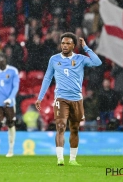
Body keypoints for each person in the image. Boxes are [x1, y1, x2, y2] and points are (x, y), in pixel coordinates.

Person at [35, 32, 102, 166]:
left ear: (73, 46)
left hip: (77, 99)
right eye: (63, 43)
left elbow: (97, 62)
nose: (65, 46)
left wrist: (86, 48)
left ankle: (72, 159)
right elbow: (47, 78)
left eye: (68, 43)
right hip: (61, 98)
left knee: (75, 128)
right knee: (60, 126)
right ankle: (60, 158)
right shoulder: (54, 59)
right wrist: (40, 97)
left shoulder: (80, 58)